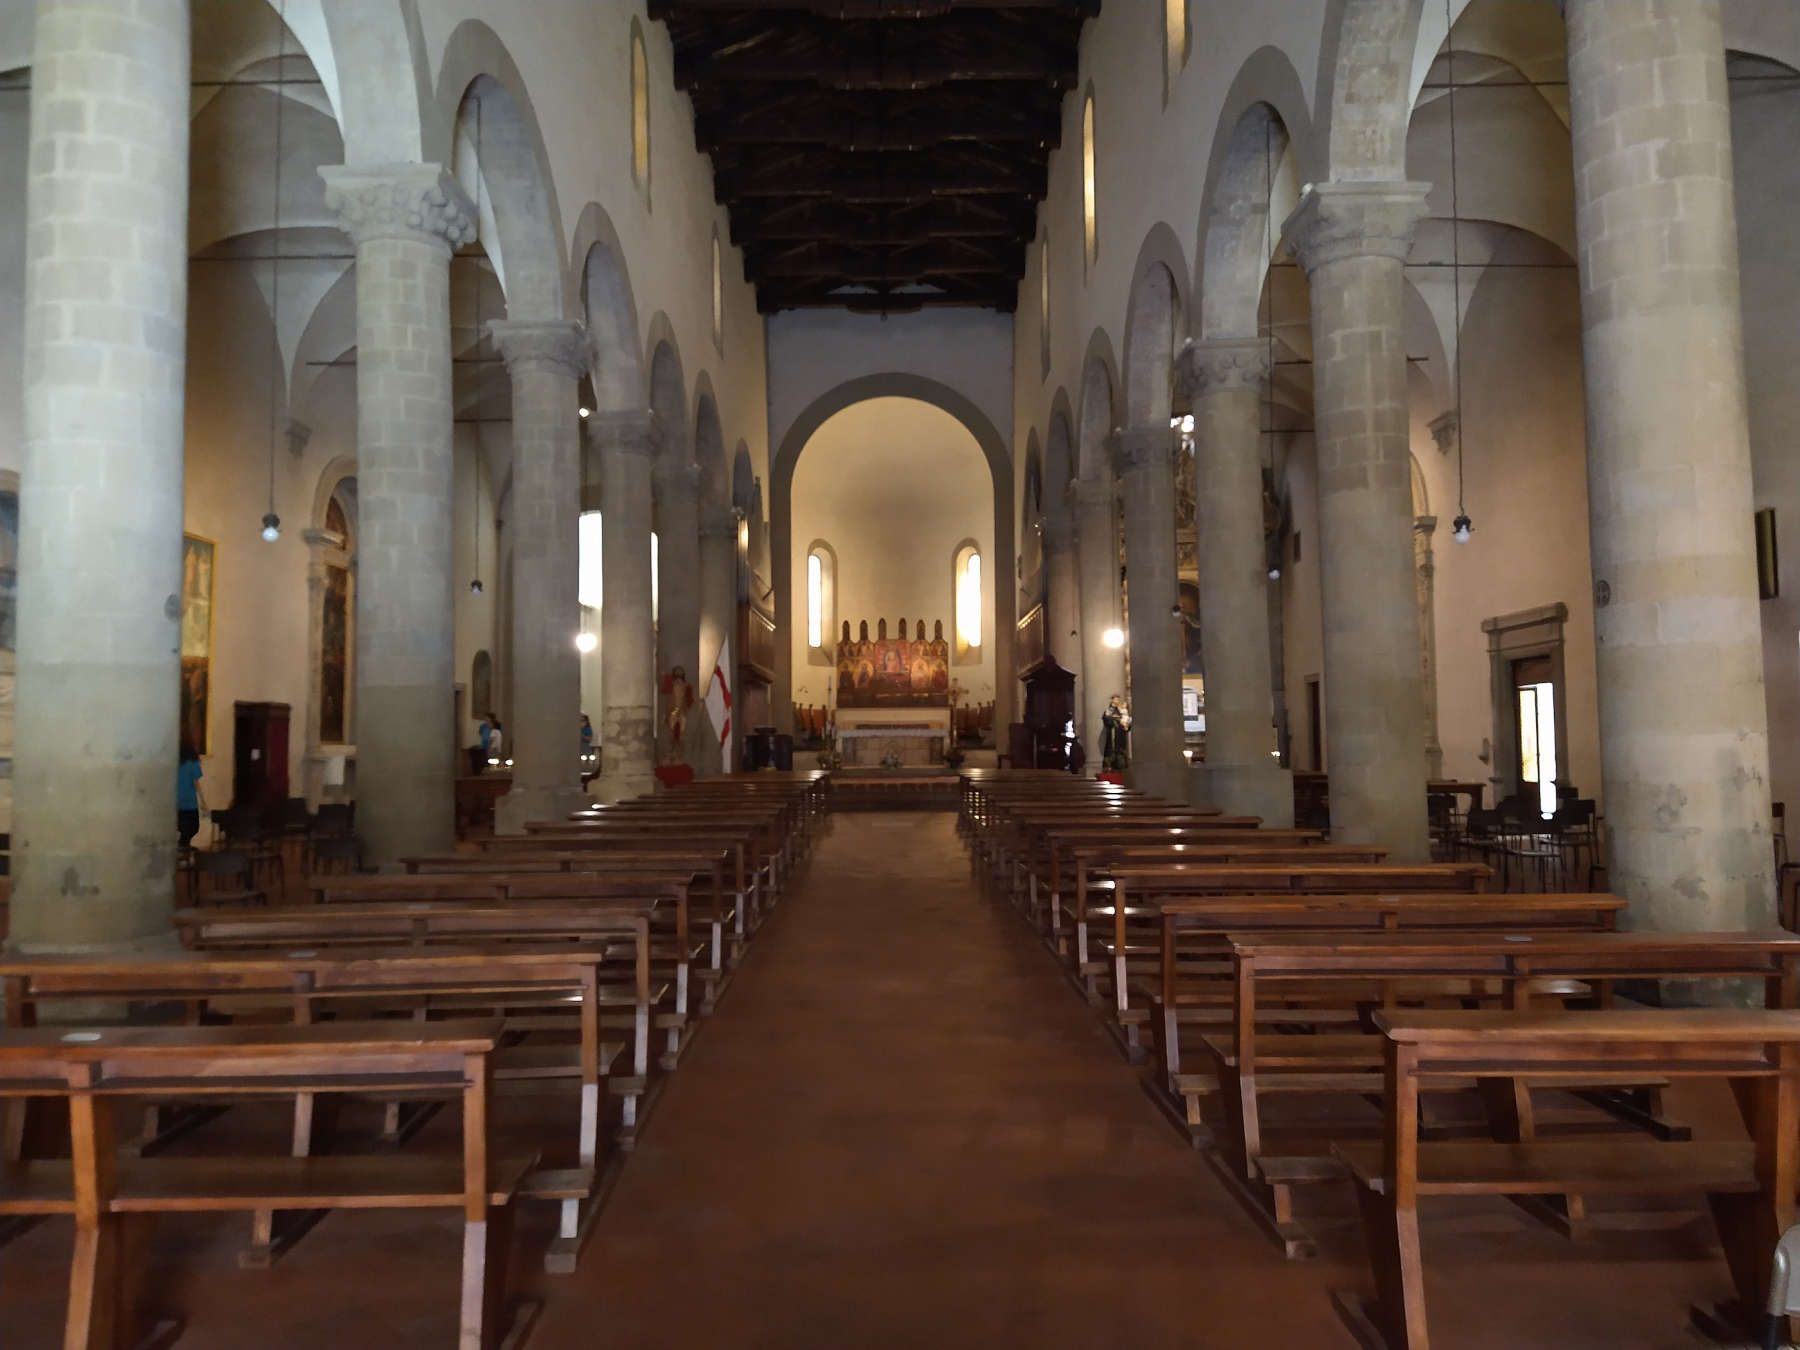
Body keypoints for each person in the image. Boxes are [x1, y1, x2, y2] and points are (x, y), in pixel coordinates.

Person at [176, 741, 204, 848]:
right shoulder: (193, 762)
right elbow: (196, 783)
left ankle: (182, 846)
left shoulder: (176, 763)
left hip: (177, 802)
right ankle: (184, 846)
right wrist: (203, 801)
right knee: (193, 828)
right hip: (190, 803)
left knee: (181, 828)